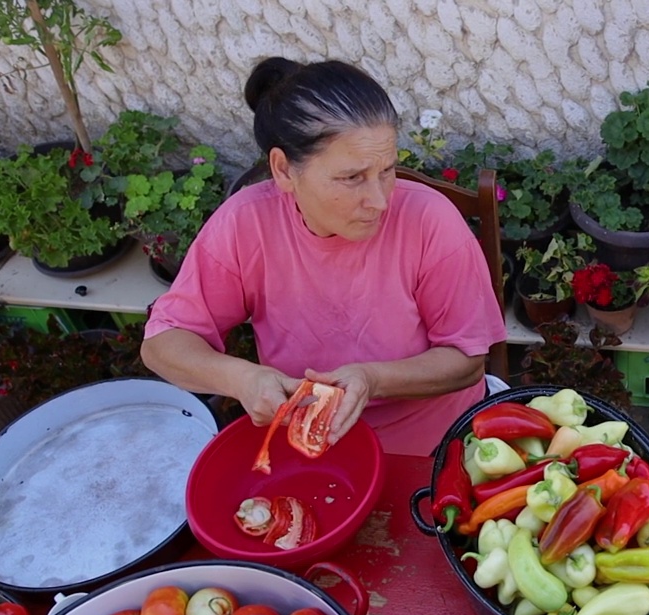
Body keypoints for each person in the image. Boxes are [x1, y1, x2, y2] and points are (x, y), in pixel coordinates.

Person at [142, 57, 506, 456]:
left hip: (432, 447)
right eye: (352, 178)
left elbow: (467, 360)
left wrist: (372, 380)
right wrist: (241, 378)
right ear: (283, 170)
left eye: (387, 170)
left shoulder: (429, 220)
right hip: (309, 446)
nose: (381, 200)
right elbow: (164, 344)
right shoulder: (247, 224)